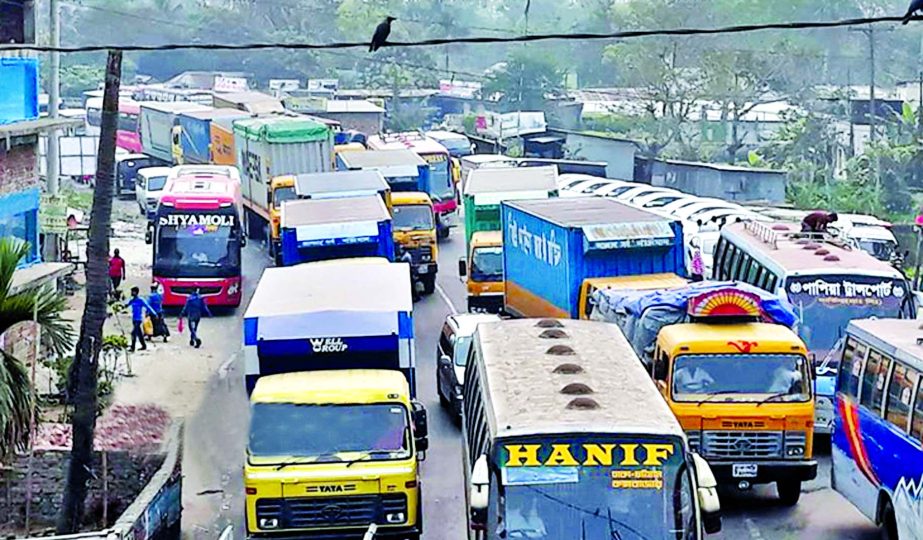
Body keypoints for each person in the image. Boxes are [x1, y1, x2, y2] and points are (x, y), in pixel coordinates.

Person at [125, 286, 155, 352]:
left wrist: (154, 313)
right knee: (139, 333)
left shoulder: (140, 300)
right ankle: (144, 345)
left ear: (136, 292)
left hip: (138, 319)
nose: (131, 293)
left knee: (133, 333)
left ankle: (133, 347)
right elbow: (126, 305)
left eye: (133, 292)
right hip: (134, 319)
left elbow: (148, 306)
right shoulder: (132, 300)